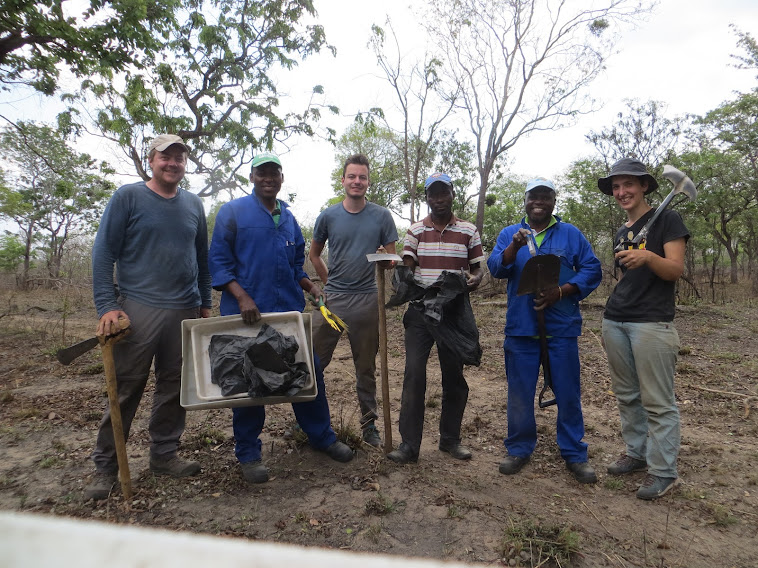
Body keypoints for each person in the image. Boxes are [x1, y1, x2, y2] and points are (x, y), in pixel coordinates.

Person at [208, 152, 353, 484]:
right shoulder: (233, 213)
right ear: (252, 177)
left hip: (287, 315)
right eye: (262, 173)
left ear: (281, 177)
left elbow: (294, 264)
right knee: (247, 382)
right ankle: (249, 453)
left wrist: (309, 287)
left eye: (274, 172)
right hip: (246, 317)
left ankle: (321, 436)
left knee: (308, 372)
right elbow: (218, 261)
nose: (268, 178)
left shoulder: (287, 218)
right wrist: (242, 296)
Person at [85, 134, 212, 501]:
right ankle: (107, 466)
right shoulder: (128, 197)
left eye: (179, 158)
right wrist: (107, 305)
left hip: (184, 308)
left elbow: (200, 259)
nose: (173, 163)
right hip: (138, 306)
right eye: (165, 157)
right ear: (151, 160)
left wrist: (204, 303)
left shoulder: (192, 204)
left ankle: (164, 454)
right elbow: (103, 252)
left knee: (175, 386)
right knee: (125, 388)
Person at [487, 178, 601, 484]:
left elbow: (592, 269)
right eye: (533, 197)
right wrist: (514, 247)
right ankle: (519, 448)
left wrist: (562, 291)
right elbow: (496, 268)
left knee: (567, 391)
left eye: (545, 197)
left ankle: (574, 453)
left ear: (553, 202)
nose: (539, 202)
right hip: (521, 329)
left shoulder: (571, 234)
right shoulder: (510, 234)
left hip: (560, 329)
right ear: (525, 200)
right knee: (520, 393)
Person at [598, 158, 689, 500]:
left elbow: (674, 270)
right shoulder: (624, 231)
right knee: (627, 394)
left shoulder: (667, 219)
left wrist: (649, 257)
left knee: (658, 401)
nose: (622, 192)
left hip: (652, 322)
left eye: (628, 185)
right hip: (616, 319)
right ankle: (636, 453)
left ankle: (663, 471)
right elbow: (627, 278)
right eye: (617, 187)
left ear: (645, 186)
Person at [387, 172, 484, 464]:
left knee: (453, 377)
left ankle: (450, 440)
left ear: (452, 194)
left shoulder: (468, 230)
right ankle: (409, 445)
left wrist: (474, 280)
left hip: (452, 313)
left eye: (443, 193)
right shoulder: (416, 230)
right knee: (414, 375)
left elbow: (478, 269)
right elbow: (408, 265)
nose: (438, 199)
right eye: (433, 194)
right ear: (427, 198)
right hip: (419, 312)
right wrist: (399, 273)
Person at [309, 154, 398, 448]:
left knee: (365, 367)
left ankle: (369, 424)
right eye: (352, 176)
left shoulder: (382, 216)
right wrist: (326, 283)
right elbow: (314, 254)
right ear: (343, 180)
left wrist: (384, 255)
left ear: (368, 181)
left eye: (362, 177)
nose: (357, 181)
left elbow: (390, 263)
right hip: (332, 300)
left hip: (367, 301)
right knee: (312, 363)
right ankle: (308, 422)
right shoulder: (328, 215)